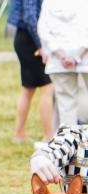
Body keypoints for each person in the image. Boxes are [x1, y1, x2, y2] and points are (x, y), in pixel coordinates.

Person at [37, 0, 88, 129]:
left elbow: (43, 30)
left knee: (66, 106)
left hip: (58, 61)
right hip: (85, 57)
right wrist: (78, 56)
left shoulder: (49, 3)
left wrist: (61, 55)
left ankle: (70, 145)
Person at [8, 0, 53, 143]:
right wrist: (41, 45)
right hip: (30, 40)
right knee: (47, 87)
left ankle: (19, 134)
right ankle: (49, 135)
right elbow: (29, 17)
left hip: (25, 38)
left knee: (28, 89)